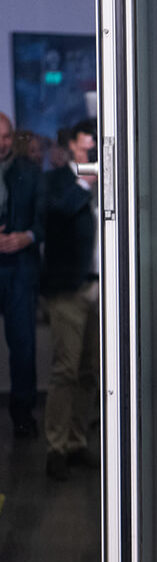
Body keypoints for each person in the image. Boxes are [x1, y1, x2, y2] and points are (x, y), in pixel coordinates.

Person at [41, 120, 101, 479]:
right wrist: (83, 182)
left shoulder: (109, 183)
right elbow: (57, 212)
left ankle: (77, 443)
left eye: (93, 148)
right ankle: (56, 448)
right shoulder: (57, 181)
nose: (89, 154)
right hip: (68, 289)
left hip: (100, 288)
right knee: (66, 368)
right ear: (70, 147)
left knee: (89, 370)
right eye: (83, 148)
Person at [0, 111, 44, 438]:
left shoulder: (30, 171)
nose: (1, 143)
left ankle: (23, 413)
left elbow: (44, 220)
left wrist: (26, 237)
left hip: (20, 267)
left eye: (5, 136)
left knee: (23, 346)